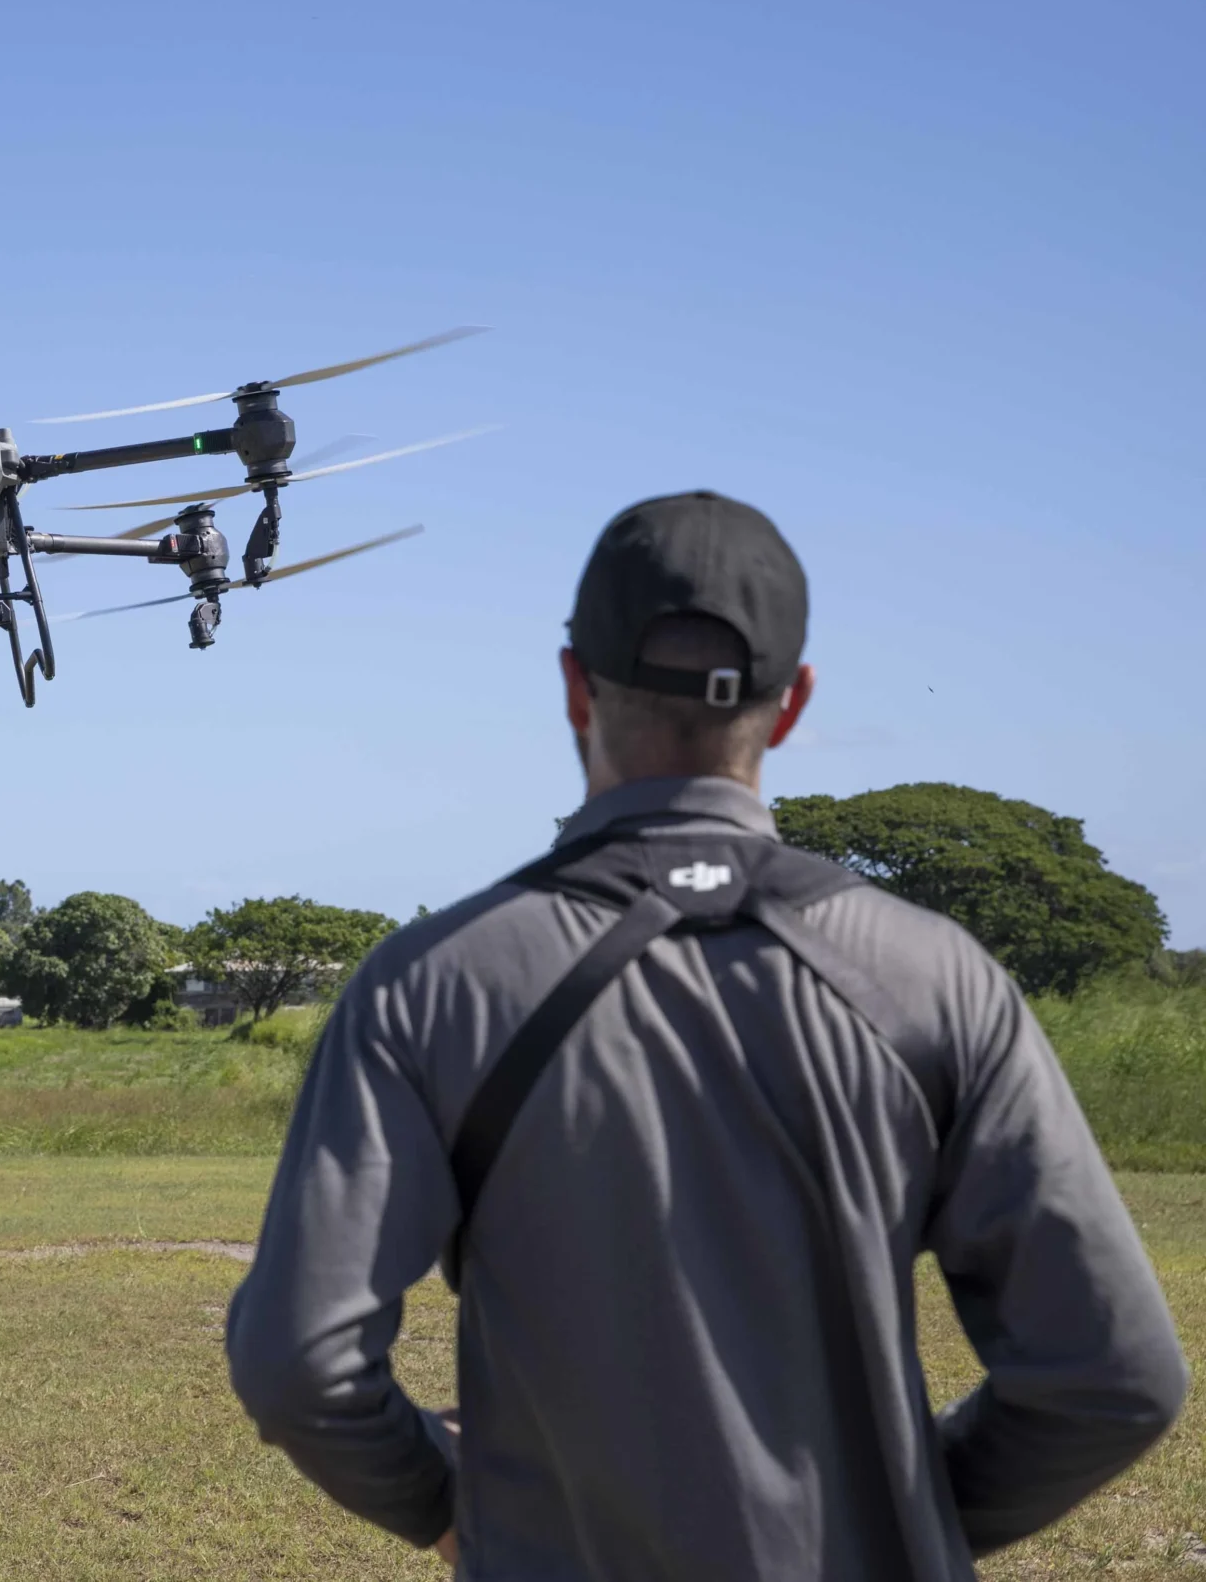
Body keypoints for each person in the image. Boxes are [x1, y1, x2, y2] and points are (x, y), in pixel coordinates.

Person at [227, 490, 1185, 1578]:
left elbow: (297, 1363)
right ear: (793, 703)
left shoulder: (432, 983)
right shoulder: (938, 978)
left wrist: (454, 1509)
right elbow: (1117, 1376)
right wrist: (906, 1518)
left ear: (574, 685)